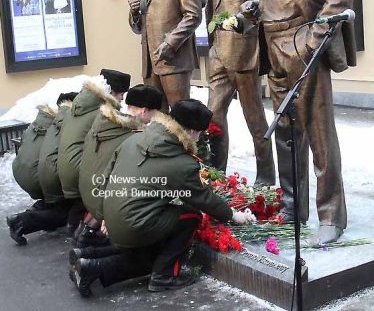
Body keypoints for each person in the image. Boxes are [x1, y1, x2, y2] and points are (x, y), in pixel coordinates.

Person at [239, 0, 356, 245]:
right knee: (287, 135)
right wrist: (260, 6)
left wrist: (312, 40)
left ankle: (330, 216)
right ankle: (293, 208)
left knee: (319, 135)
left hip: (302, 45)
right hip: (273, 47)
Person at [69, 99, 251, 297]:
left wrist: (102, 214)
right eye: (200, 133)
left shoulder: (135, 138)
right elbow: (202, 199)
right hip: (130, 225)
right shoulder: (181, 163)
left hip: (110, 216)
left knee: (147, 248)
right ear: (191, 132)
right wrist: (232, 215)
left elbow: (107, 176)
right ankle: (164, 276)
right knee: (190, 217)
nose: (199, 138)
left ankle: (87, 259)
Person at [205, 0, 275, 184]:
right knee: (213, 118)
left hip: (244, 54)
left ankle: (266, 177)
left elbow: (261, 5)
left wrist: (245, 14)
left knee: (254, 120)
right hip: (218, 54)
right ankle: (216, 175)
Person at [77, 84, 163, 248]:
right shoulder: (132, 136)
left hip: (85, 190)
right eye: (154, 114)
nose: (153, 120)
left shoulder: (106, 121)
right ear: (144, 111)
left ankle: (86, 229)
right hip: (100, 198)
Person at [128, 0, 202, 112]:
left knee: (180, 115)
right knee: (155, 117)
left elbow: (193, 15)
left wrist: (170, 44)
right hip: (150, 63)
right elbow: (138, 28)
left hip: (174, 59)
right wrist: (134, 13)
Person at [57, 69, 131, 236]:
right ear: (111, 92)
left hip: (64, 164)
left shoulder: (80, 103)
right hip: (78, 169)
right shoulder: (102, 113)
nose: (123, 99)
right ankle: (84, 230)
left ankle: (79, 227)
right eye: (121, 94)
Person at [7, 93, 78, 245]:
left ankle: (24, 216)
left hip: (22, 170)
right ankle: (22, 223)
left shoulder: (42, 121)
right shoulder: (64, 126)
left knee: (54, 198)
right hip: (40, 175)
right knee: (68, 209)